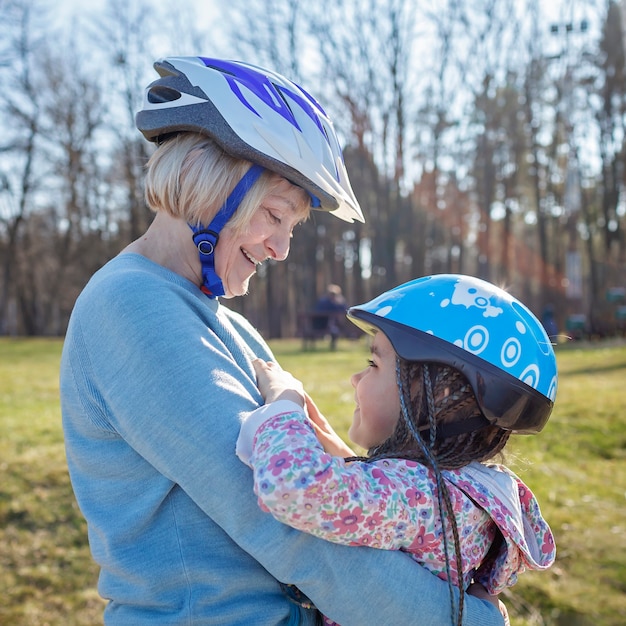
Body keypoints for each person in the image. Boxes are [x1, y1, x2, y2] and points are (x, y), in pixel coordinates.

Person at [59, 57, 506, 625]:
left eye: (290, 227)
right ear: (208, 182)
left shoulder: (222, 321)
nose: (280, 248)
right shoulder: (132, 306)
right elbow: (283, 522)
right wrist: (460, 619)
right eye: (274, 214)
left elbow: (333, 494)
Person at [237, 274, 557, 625]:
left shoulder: (417, 495)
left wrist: (284, 401)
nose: (355, 379)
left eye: (373, 364)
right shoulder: (470, 488)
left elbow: (292, 486)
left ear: (439, 397)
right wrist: (334, 449)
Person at [313, 284, 348, 349]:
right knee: (334, 327)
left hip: (330, 324)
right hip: (322, 324)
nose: (333, 296)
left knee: (334, 326)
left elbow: (344, 310)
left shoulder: (334, 302)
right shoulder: (325, 302)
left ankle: (333, 344)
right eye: (332, 294)